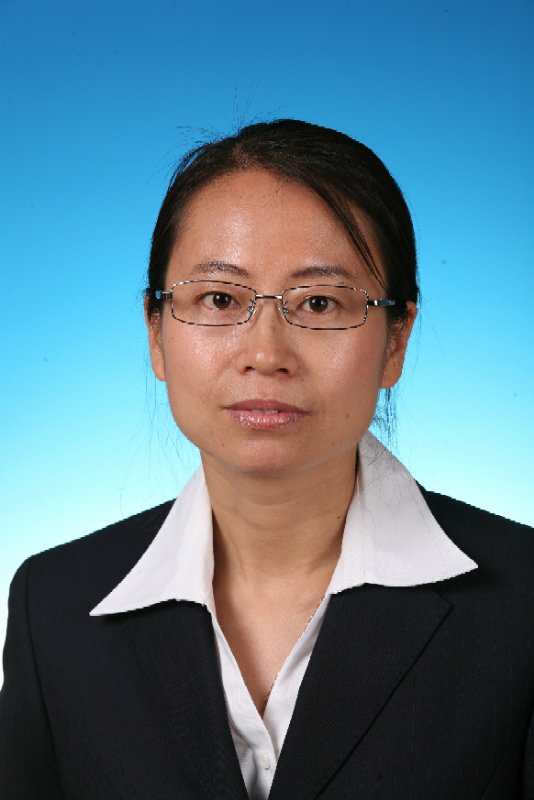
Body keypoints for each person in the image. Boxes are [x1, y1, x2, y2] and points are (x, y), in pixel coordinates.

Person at [1, 119, 533, 800]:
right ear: (155, 332)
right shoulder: (54, 606)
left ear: (396, 341)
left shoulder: (522, 605)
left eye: (320, 302)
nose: (265, 353)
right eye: (220, 299)